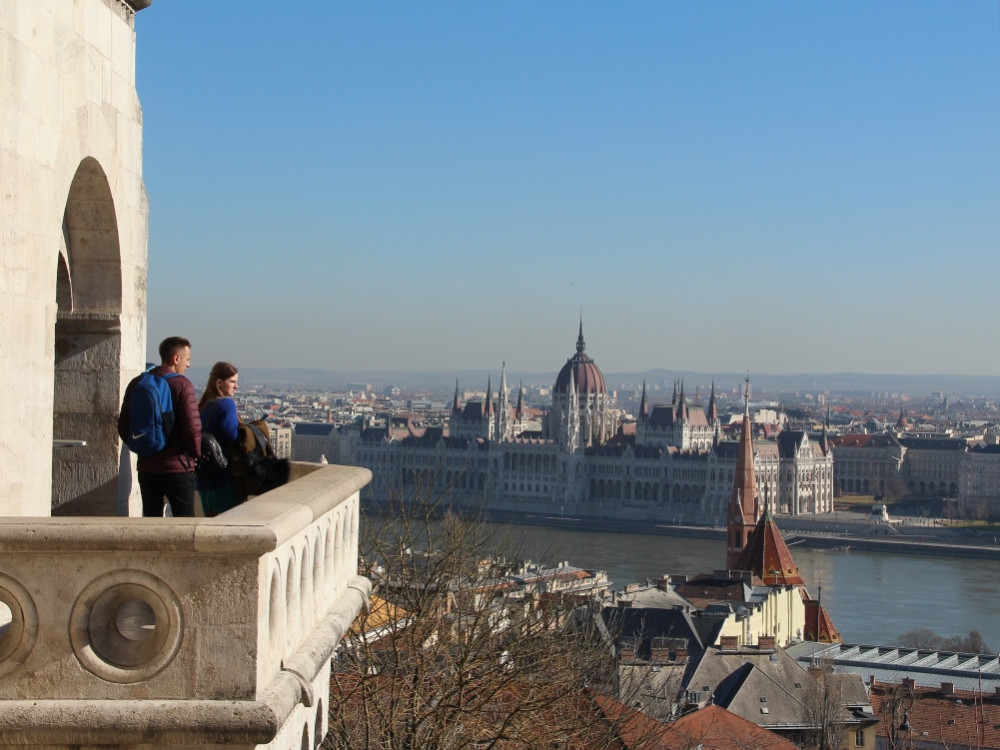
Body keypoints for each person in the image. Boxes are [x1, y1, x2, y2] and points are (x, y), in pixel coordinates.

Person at [118, 336, 201, 517]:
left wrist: (143, 448)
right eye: (187, 360)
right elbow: (192, 428)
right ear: (176, 358)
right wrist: (195, 454)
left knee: (151, 520)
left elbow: (124, 425)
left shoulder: (137, 383)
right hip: (177, 467)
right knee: (184, 522)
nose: (188, 365)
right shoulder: (181, 384)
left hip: (147, 466)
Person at [197, 362, 241, 516]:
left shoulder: (203, 406)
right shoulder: (226, 404)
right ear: (219, 383)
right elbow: (235, 436)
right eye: (232, 382)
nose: (236, 387)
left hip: (203, 479)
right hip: (222, 477)